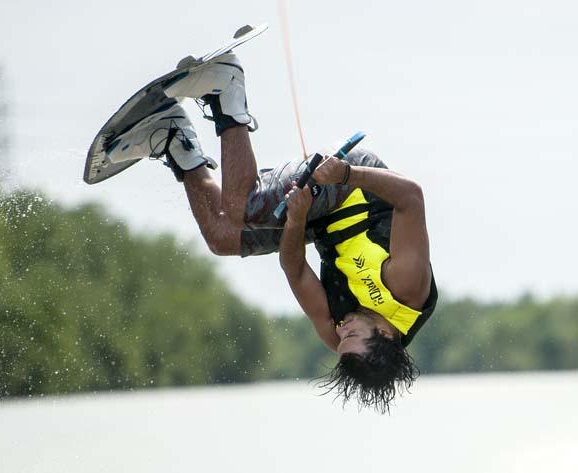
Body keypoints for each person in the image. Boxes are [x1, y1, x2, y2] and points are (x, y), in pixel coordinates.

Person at [126, 52, 438, 412]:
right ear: (385, 334)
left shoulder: (334, 333)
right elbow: (411, 197)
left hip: (318, 219)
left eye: (341, 340)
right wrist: (345, 174)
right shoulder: (406, 289)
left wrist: (295, 219)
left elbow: (295, 269)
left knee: (222, 238)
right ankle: (226, 88)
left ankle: (173, 137)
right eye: (351, 334)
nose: (341, 331)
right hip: (354, 184)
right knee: (246, 206)